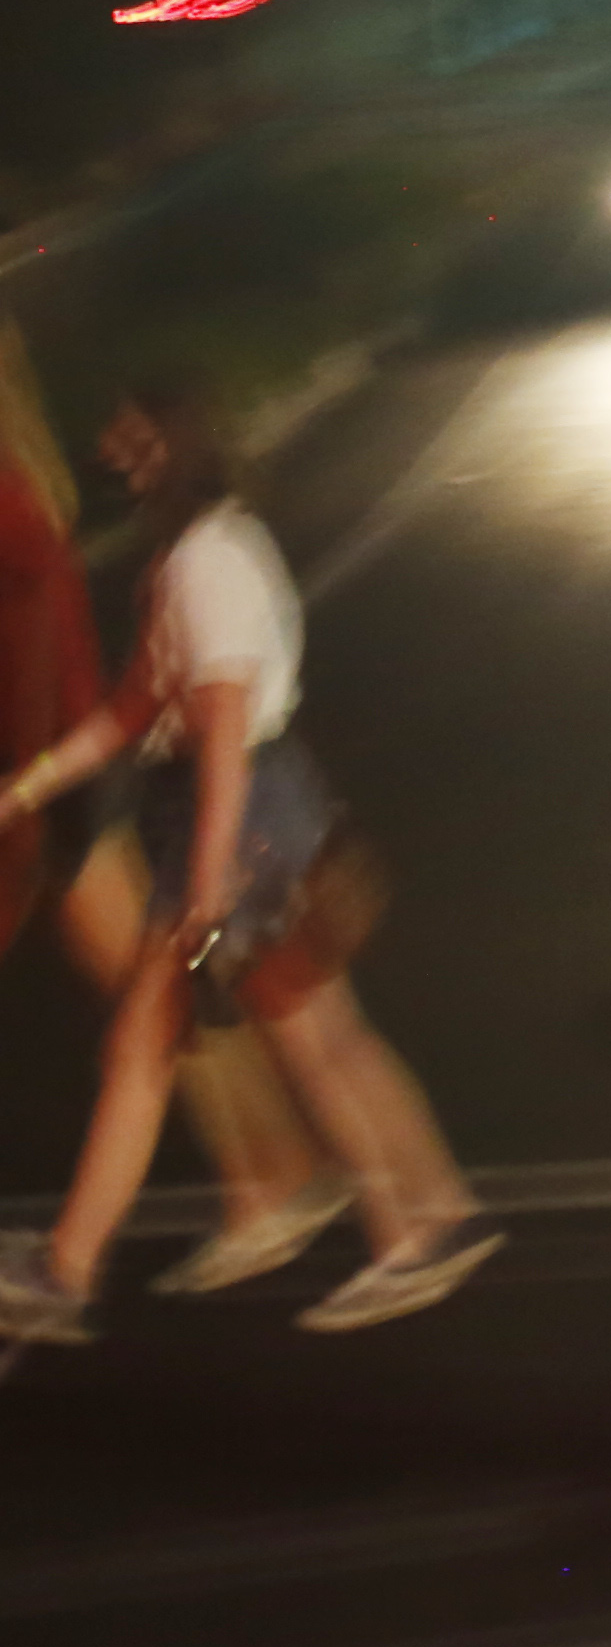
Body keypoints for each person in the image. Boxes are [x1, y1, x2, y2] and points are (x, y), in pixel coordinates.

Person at [0, 382, 496, 1343]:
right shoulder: (202, 552)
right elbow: (135, 708)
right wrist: (25, 786)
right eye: (122, 449)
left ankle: (404, 1235)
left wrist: (210, 871)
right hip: (246, 811)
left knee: (261, 1044)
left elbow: (222, 722)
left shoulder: (205, 565)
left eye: (140, 447)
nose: (123, 464)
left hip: (240, 820)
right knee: (294, 1040)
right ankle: (434, 1219)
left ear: (186, 451)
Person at [0, 323, 347, 1294]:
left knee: (158, 1012)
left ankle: (269, 1182)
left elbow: (48, 647)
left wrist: (29, 787)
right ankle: (268, 1175)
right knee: (157, 1015)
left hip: (55, 777)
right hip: (57, 771)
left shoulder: (9, 491)